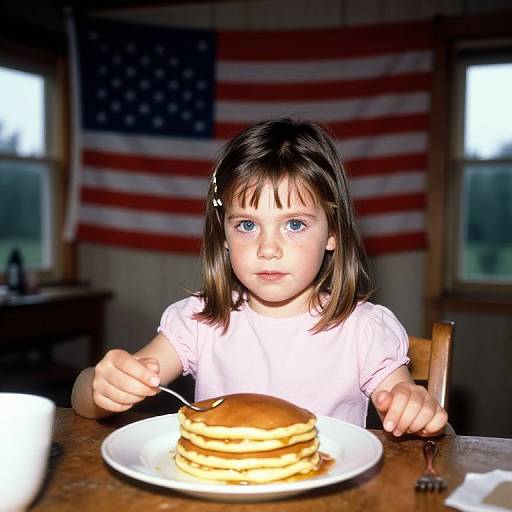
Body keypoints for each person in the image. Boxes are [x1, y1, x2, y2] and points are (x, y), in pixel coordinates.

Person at [71, 118, 448, 437]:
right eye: (248, 225)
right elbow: (85, 401)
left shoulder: (363, 330)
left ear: (333, 232)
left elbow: (419, 414)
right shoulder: (199, 322)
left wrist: (414, 407)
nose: (268, 248)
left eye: (295, 224)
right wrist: (100, 387)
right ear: (223, 233)